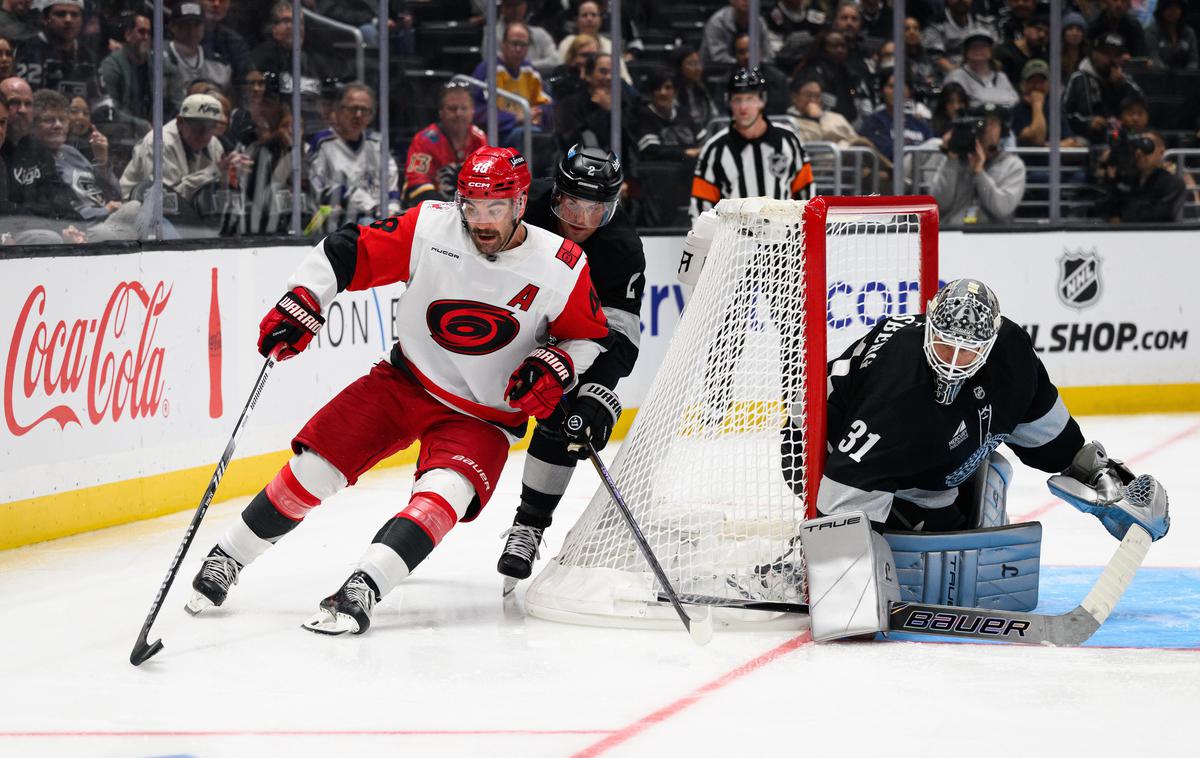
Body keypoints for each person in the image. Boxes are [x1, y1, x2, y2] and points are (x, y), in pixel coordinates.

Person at [185, 146, 610, 636]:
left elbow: (589, 338)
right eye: (471, 206)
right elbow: (346, 249)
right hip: (404, 382)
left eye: (494, 208)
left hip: (483, 416)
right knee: (313, 470)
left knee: (443, 495)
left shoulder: (562, 263)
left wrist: (556, 362)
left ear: (519, 204)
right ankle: (229, 556)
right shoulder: (430, 227)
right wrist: (303, 298)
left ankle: (365, 586)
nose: (481, 220)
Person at [782, 278, 1169, 627]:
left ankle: (919, 515)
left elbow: (1055, 443)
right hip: (816, 448)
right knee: (865, 539)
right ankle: (800, 563)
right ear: (928, 326)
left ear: (991, 342)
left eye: (966, 351)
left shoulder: (1012, 356)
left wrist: (1105, 481)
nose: (950, 361)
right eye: (944, 345)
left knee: (952, 520)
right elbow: (847, 488)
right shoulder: (897, 394)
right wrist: (839, 576)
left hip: (915, 458)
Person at [496, 145, 645, 591]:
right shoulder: (520, 209)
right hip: (499, 323)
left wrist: (598, 389)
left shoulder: (620, 249)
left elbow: (620, 332)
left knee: (567, 411)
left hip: (564, 340)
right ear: (554, 194)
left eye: (596, 208)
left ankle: (530, 525)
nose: (580, 218)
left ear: (613, 206)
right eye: (571, 203)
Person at [690, 67, 813, 218]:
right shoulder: (715, 149)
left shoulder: (788, 140)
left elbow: (806, 194)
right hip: (735, 239)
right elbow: (701, 207)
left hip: (782, 238)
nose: (743, 107)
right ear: (728, 102)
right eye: (737, 99)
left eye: (750, 99)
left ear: (762, 100)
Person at [121, 92, 249, 206]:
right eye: (198, 127)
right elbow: (167, 200)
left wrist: (230, 173)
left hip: (188, 216)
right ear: (180, 122)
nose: (204, 135)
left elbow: (219, 193)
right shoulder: (159, 142)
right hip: (137, 211)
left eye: (210, 127)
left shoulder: (214, 144)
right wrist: (214, 171)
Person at [307, 81, 399, 231]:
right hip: (331, 227)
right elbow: (321, 189)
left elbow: (392, 187)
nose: (358, 115)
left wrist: (392, 211)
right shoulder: (322, 143)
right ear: (338, 110)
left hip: (376, 223)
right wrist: (368, 205)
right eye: (353, 109)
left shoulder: (377, 144)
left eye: (365, 110)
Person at [930, 102, 1025, 224]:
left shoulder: (1013, 165)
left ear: (1003, 130)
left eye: (993, 124)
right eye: (981, 123)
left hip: (993, 237)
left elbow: (1002, 209)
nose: (987, 128)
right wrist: (951, 160)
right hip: (952, 233)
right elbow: (938, 204)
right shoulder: (956, 159)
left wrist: (979, 173)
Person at [401, 81, 488, 208]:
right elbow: (417, 183)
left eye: (464, 108)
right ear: (441, 112)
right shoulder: (424, 140)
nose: (458, 114)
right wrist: (448, 210)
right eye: (452, 109)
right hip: (428, 211)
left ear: (472, 111)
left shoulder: (479, 138)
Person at [469, 22, 553, 149]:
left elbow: (547, 103)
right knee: (529, 136)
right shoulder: (488, 70)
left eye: (523, 45)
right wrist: (514, 118)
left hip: (529, 129)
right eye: (514, 44)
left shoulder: (530, 70)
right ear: (503, 44)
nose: (518, 49)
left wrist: (539, 113)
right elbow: (476, 110)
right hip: (500, 134)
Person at [100, 11, 181, 133]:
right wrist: (140, 125)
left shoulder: (160, 63)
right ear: (128, 34)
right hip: (124, 132)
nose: (146, 37)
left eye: (149, 33)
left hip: (160, 130)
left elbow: (177, 97)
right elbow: (110, 108)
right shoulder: (112, 65)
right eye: (141, 32)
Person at [1064, 33, 1143, 145]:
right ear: (1094, 54)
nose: (1111, 59)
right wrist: (1087, 122)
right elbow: (1064, 115)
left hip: (1119, 139)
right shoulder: (1078, 79)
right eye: (1106, 53)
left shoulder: (1124, 81)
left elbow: (1141, 107)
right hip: (1085, 139)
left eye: (1116, 55)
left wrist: (1121, 85)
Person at [13, 0, 102, 99]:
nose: (68, 20)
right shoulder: (27, 49)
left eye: (75, 15)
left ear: (82, 20)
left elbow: (99, 100)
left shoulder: (88, 56)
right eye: (60, 14)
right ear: (45, 18)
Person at [1095, 130, 1186, 222]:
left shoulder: (1172, 183)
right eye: (1136, 146)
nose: (1139, 152)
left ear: (1161, 152)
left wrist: (1121, 217)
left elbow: (1160, 216)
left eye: (1147, 146)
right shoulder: (1126, 180)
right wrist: (1106, 173)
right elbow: (1102, 207)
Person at [635, 66, 702, 162]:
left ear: (675, 92)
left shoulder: (684, 113)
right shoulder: (644, 115)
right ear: (651, 92)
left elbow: (703, 142)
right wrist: (684, 153)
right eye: (658, 88)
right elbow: (651, 151)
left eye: (668, 87)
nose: (663, 92)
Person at [942, 30, 1019, 110]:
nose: (979, 49)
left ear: (991, 51)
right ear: (966, 51)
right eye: (974, 46)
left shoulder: (1000, 76)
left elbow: (1014, 101)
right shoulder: (956, 77)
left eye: (983, 46)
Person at [166, 2, 232, 93]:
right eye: (186, 24)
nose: (191, 31)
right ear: (172, 27)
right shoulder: (160, 58)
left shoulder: (219, 64)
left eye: (196, 25)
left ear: (203, 27)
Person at [785, 75, 866, 147]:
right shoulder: (789, 122)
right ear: (794, 97)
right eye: (808, 95)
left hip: (847, 156)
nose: (812, 100)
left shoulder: (836, 117)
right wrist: (814, 120)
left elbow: (855, 140)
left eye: (817, 96)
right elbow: (809, 146)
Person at [1012, 59, 1077, 147]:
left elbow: (1071, 142)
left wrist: (1047, 146)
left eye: (1041, 82)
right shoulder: (1016, 111)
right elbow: (1037, 139)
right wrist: (1037, 105)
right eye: (1032, 81)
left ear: (1048, 84)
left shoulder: (1054, 108)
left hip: (1053, 159)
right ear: (1023, 85)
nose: (1037, 86)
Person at [922, 0, 998, 74]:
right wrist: (962, 76)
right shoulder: (935, 25)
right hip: (949, 77)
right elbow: (936, 58)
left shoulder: (983, 22)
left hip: (983, 72)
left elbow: (994, 51)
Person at [700, 0, 773, 66]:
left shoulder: (759, 22)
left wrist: (759, 63)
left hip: (753, 71)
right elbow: (718, 57)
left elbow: (768, 54)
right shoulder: (717, 22)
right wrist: (744, 63)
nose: (746, 1)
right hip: (719, 75)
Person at [673, 46, 718, 133]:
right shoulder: (672, 91)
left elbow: (714, 115)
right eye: (691, 64)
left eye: (698, 63)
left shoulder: (702, 88)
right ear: (679, 68)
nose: (698, 69)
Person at [1146, 0, 1198, 72]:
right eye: (1169, 7)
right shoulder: (1152, 31)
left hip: (1186, 78)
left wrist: (1187, 74)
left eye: (1177, 7)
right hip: (1160, 78)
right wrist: (1170, 75)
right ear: (1162, 9)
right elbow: (1154, 59)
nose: (1173, 11)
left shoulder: (1189, 32)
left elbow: (1194, 61)